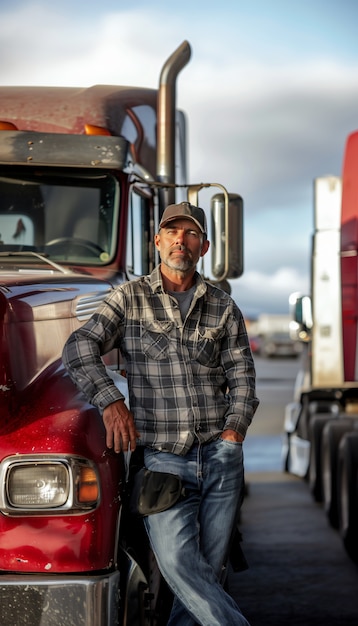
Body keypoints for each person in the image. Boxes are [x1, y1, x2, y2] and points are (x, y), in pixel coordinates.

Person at [62, 201, 259, 626]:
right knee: (180, 564)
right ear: (157, 241)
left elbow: (243, 377)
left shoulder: (223, 306)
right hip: (164, 461)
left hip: (221, 459)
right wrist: (111, 402)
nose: (180, 241)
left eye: (190, 234)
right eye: (172, 232)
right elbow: (79, 346)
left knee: (204, 577)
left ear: (203, 246)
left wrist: (233, 435)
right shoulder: (129, 298)